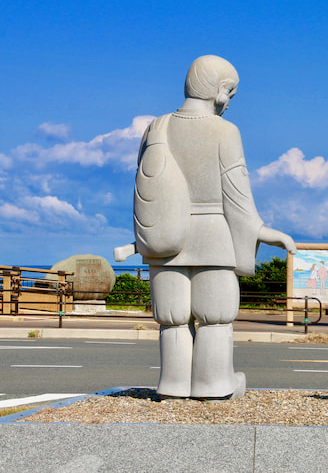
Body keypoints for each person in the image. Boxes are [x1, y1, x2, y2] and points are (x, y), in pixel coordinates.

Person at [115, 55, 296, 399]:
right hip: (214, 237)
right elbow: (236, 192)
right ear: (220, 89)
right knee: (215, 319)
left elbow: (146, 187)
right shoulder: (225, 131)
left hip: (164, 238)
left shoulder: (156, 127)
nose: (229, 103)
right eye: (232, 93)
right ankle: (212, 385)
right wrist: (260, 230)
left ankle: (174, 384)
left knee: (172, 319)